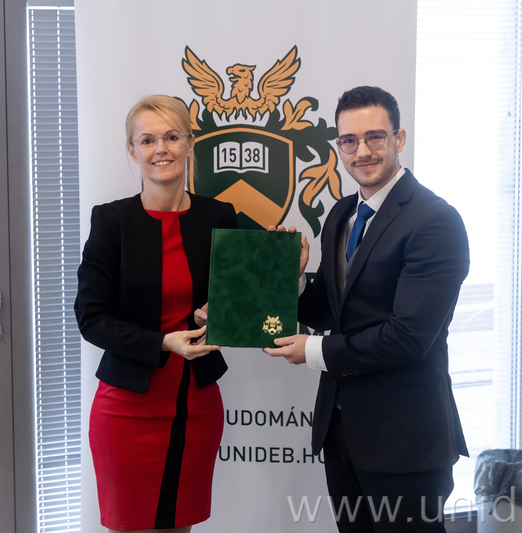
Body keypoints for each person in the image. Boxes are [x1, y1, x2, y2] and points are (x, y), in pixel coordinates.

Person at [264, 86, 469, 532]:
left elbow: (408, 338)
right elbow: (331, 311)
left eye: (375, 136)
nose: (362, 151)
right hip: (341, 433)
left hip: (405, 441)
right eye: (349, 140)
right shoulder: (341, 214)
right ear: (338, 146)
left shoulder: (435, 221)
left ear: (399, 138)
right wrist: (293, 278)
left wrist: (314, 351)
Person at [75, 94, 238, 533]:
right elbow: (90, 317)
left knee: (180, 526)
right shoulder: (112, 221)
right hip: (127, 409)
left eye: (171, 137)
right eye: (147, 140)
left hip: (197, 405)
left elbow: (246, 297)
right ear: (133, 150)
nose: (160, 149)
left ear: (190, 143)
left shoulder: (220, 216)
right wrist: (163, 342)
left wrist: (287, 268)